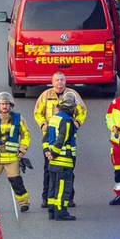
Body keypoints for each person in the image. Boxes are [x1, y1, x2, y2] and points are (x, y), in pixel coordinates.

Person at [34, 71, 87, 206]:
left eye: (62, 80)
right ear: (52, 82)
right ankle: (46, 198)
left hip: (68, 138)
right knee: (49, 169)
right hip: (50, 137)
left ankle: (68, 198)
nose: (59, 83)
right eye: (57, 80)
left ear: (65, 81)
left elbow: (83, 111)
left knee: (68, 170)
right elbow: (37, 113)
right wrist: (43, 125)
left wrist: (77, 123)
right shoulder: (45, 95)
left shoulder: (73, 94)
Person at [45, 93, 78, 221]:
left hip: (52, 161)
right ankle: (61, 212)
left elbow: (46, 138)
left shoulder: (54, 118)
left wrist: (48, 151)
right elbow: (62, 139)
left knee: (53, 185)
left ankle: (52, 210)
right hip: (63, 160)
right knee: (63, 187)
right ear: (71, 108)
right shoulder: (67, 121)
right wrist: (54, 153)